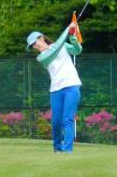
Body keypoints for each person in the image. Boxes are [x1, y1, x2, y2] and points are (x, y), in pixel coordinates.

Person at [28, 16, 82, 153]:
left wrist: (73, 39)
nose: (35, 47)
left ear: (41, 38)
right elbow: (56, 48)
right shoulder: (42, 57)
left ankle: (67, 150)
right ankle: (57, 148)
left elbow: (77, 50)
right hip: (56, 90)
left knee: (68, 120)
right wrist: (67, 29)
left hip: (71, 86)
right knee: (56, 122)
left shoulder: (61, 44)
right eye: (33, 46)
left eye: (35, 43)